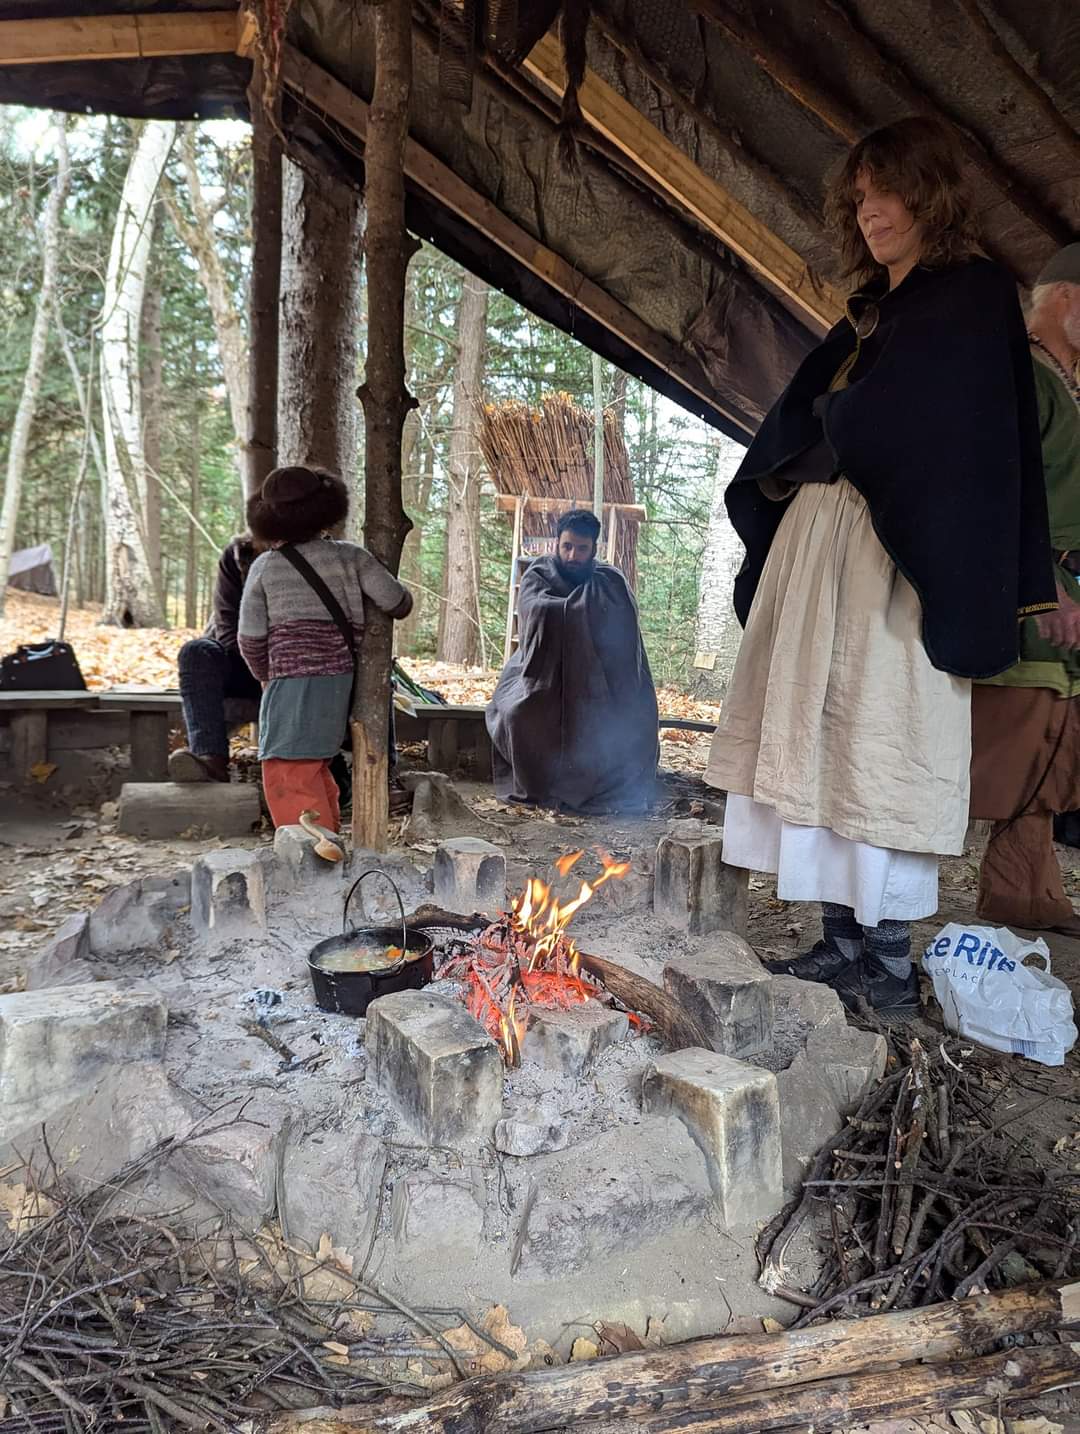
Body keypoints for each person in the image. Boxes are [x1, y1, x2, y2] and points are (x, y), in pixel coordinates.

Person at [703, 116, 1054, 1021]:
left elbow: (946, 440)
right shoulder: (876, 311)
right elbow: (817, 414)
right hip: (822, 547)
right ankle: (840, 943)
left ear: (930, 193)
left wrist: (842, 418)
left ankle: (891, 968)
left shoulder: (971, 296)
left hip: (898, 555)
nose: (871, 213)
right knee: (821, 734)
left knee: (879, 735)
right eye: (859, 198)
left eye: (887, 192)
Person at [970, 244, 1080, 934]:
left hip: (1068, 581)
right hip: (1033, 588)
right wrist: (1049, 585)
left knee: (1058, 740)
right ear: (1067, 300)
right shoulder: (1022, 377)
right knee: (1022, 740)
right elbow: (1004, 493)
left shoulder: (1067, 383)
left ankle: (1033, 891)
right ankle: (1010, 894)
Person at [237, 465, 412, 832]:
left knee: (288, 771)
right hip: (342, 680)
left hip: (289, 682)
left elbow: (250, 639)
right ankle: (328, 840)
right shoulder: (350, 556)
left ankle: (312, 857)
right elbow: (398, 601)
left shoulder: (265, 568)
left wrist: (266, 677)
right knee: (316, 765)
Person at [486, 509, 659, 813]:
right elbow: (532, 615)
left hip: (601, 682)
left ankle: (604, 791)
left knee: (632, 720)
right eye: (567, 546)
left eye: (582, 549)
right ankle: (543, 787)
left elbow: (626, 646)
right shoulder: (538, 575)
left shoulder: (610, 581)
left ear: (594, 549)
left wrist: (569, 610)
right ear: (556, 544)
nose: (573, 555)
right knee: (514, 714)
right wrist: (580, 610)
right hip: (541, 678)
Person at [170, 534, 263, 783]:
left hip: (303, 669)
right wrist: (263, 670)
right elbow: (228, 627)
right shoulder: (238, 554)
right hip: (246, 660)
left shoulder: (322, 555)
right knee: (195, 652)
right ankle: (209, 761)